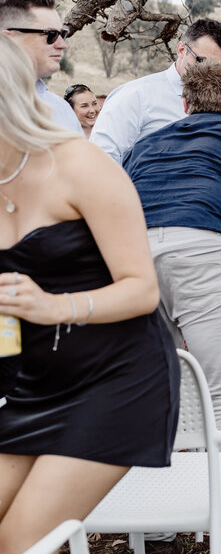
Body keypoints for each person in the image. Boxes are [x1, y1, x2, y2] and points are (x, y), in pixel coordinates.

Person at [0, 35, 179, 552]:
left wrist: (54, 307)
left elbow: (142, 290)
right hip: (31, 381)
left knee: (16, 542)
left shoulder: (80, 165)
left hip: (117, 379)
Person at [122, 62, 221, 554]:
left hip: (135, 256)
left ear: (185, 105)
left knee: (154, 392)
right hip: (206, 252)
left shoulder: (145, 145)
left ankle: (156, 532)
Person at [91, 18, 221, 162]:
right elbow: (101, 160)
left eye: (219, 67)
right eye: (201, 61)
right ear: (181, 50)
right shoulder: (134, 96)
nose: (210, 71)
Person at [0, 0, 82, 134]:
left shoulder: (61, 110)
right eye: (51, 34)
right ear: (8, 39)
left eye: (62, 34)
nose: (62, 45)